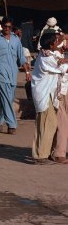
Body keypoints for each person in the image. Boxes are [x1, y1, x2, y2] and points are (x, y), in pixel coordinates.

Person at [31, 31, 68, 164]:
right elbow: (64, 68)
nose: (59, 41)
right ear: (51, 44)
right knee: (47, 125)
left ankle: (44, 153)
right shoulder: (47, 57)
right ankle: (41, 156)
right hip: (45, 95)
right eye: (56, 40)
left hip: (49, 95)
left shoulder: (48, 53)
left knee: (48, 124)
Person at [0, 16, 31, 135]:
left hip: (13, 73)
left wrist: (27, 72)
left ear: (11, 27)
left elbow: (21, 57)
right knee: (6, 98)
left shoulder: (16, 39)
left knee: (9, 98)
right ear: (1, 26)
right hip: (0, 72)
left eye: (9, 27)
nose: (7, 29)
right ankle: (11, 124)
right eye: (5, 26)